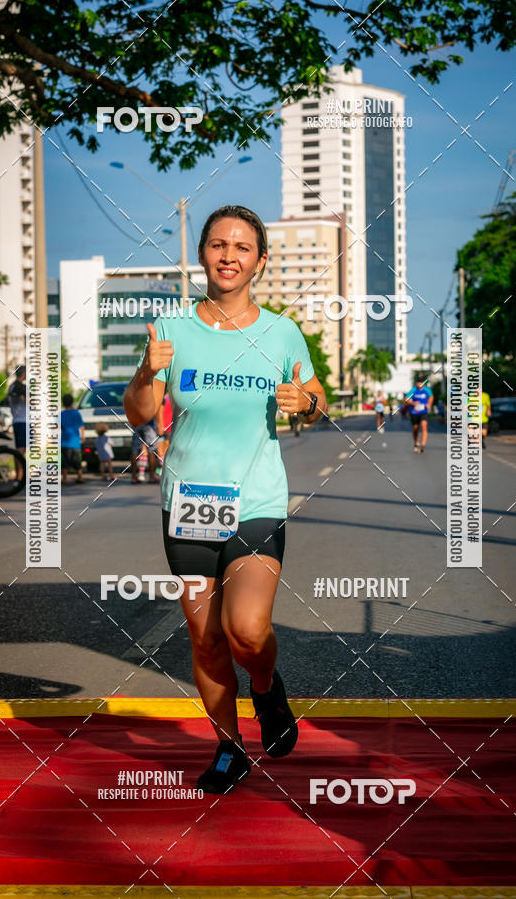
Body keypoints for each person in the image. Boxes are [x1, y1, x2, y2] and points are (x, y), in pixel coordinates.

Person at [124, 205, 327, 794]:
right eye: (217, 245)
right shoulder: (172, 328)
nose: (228, 256)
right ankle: (229, 748)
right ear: (203, 255)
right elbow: (140, 414)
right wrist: (145, 371)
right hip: (187, 504)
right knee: (206, 638)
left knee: (247, 630)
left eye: (242, 247)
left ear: (260, 261)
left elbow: (315, 401)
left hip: (257, 499)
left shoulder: (282, 332)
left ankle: (266, 691)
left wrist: (304, 403)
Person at [7, 365, 26, 481]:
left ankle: (19, 476)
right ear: (23, 374)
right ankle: (19, 477)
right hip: (22, 421)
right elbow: (30, 401)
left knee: (20, 448)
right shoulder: (20, 387)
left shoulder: (11, 386)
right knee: (21, 450)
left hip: (17, 420)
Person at [60, 393, 85, 484]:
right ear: (72, 403)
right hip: (75, 442)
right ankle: (80, 477)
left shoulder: (61, 414)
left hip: (64, 442)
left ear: (63, 403)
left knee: (65, 461)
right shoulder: (77, 413)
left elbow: (59, 426)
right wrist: (83, 437)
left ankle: (64, 479)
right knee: (77, 460)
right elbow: (82, 427)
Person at [405, 376, 433, 452]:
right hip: (414, 412)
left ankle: (423, 445)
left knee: (424, 426)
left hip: (424, 411)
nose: (420, 384)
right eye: (418, 382)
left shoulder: (427, 390)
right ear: (416, 383)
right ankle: (416, 443)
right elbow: (406, 399)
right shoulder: (413, 390)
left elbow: (431, 397)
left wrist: (429, 404)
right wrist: (413, 403)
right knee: (415, 428)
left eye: (421, 382)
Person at [130, 418, 159, 483]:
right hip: (149, 424)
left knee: (135, 450)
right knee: (152, 450)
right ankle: (152, 477)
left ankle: (134, 477)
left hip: (136, 424)